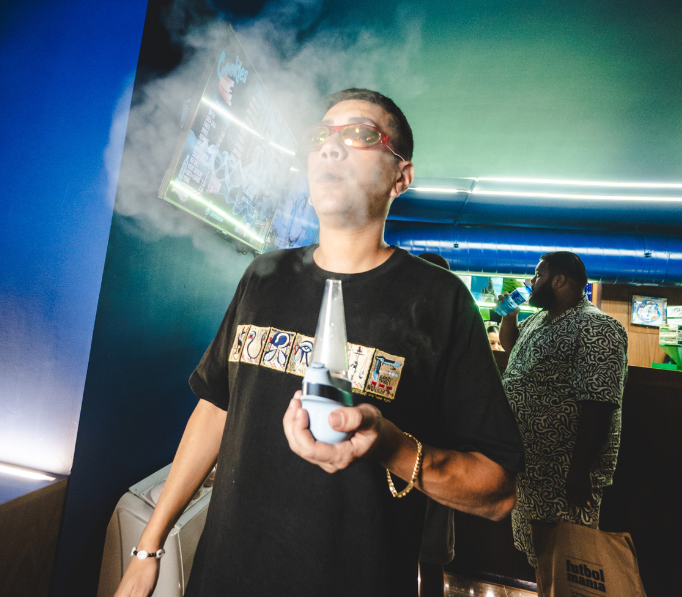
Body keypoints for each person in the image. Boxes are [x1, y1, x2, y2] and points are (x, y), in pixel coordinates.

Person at [115, 88, 524, 597]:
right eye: (321, 137)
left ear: (401, 177)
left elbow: (497, 491)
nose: (331, 147)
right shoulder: (263, 276)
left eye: (360, 135)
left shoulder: (440, 301)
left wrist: (390, 446)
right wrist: (148, 546)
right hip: (225, 576)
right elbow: (216, 409)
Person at [498, 252, 628, 588]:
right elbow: (513, 349)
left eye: (538, 275)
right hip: (531, 468)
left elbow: (599, 402)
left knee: (571, 563)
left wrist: (579, 470)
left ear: (559, 280)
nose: (532, 282)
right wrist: (509, 316)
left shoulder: (598, 327)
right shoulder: (539, 320)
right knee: (539, 556)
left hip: (563, 474)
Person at [416, 251, 456, 597]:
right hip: (435, 452)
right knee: (430, 557)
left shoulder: (445, 328)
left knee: (427, 555)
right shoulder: (454, 326)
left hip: (428, 453)